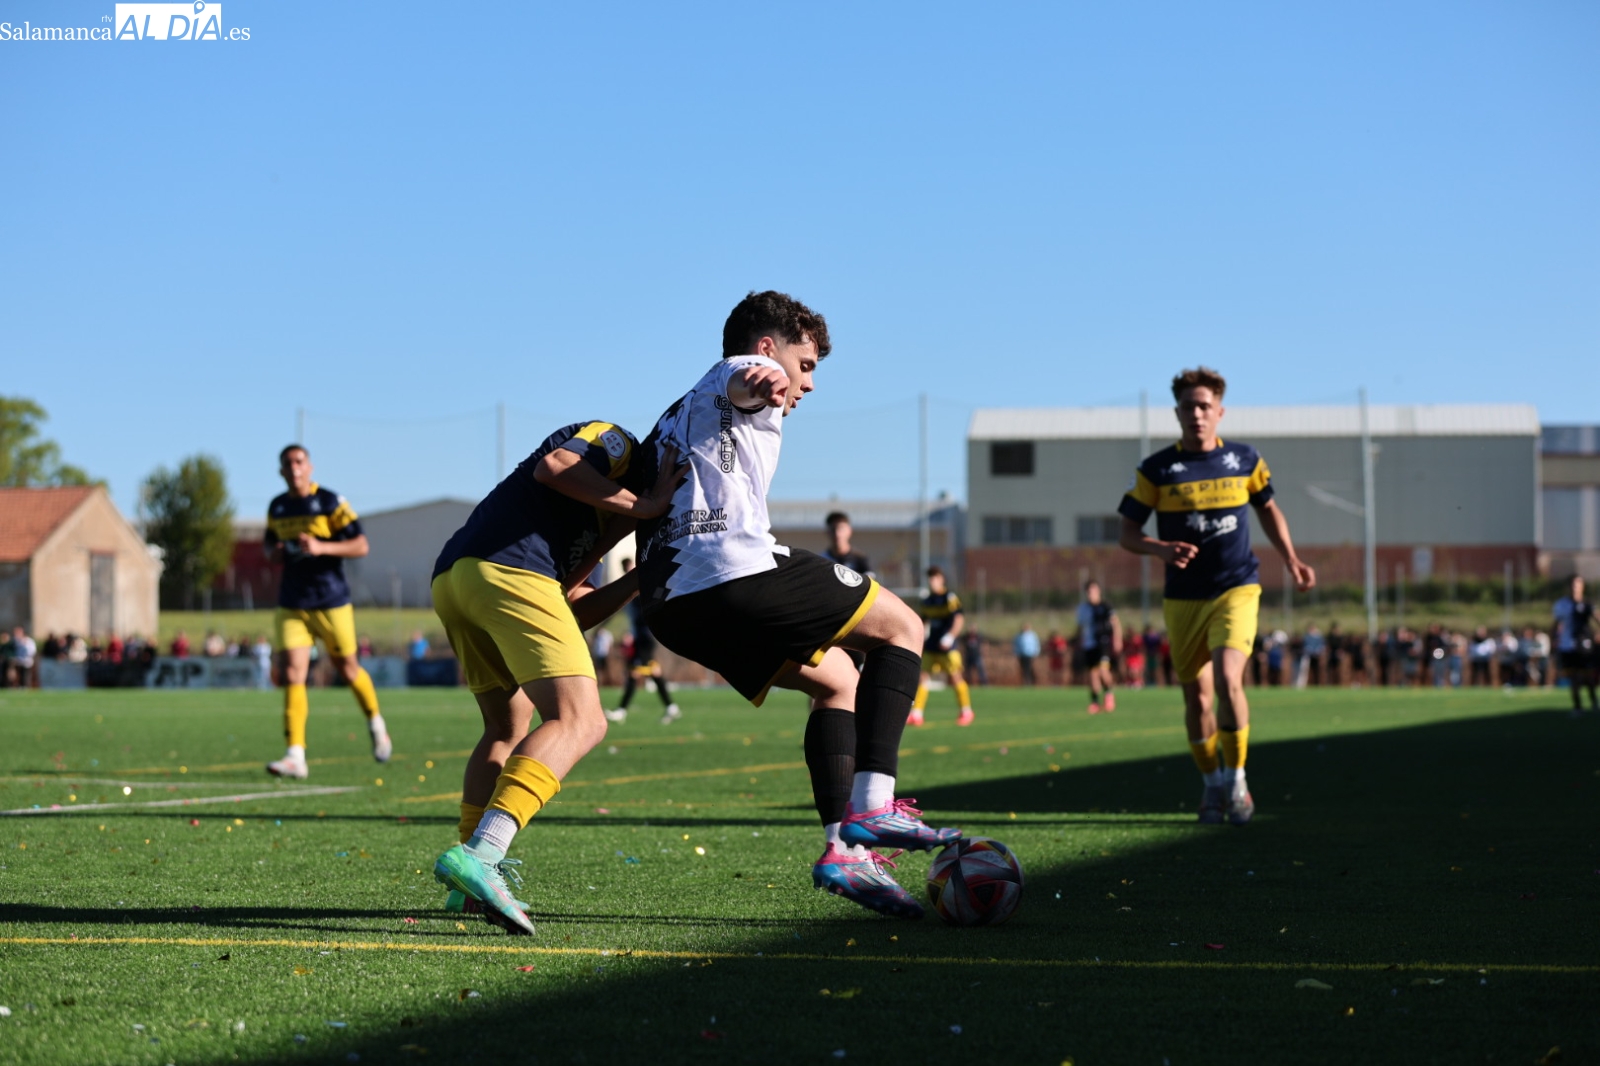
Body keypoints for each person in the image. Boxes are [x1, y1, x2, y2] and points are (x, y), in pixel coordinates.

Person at [634, 290, 959, 920]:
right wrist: (767, 380)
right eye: (805, 365)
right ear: (767, 347)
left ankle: (844, 851)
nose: (807, 384)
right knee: (903, 627)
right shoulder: (743, 374)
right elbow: (748, 379)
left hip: (672, 608)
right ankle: (874, 803)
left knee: (838, 681)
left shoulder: (679, 411)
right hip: (730, 570)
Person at [429, 420, 684, 933]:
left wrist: (639, 578)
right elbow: (556, 465)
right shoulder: (617, 443)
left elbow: (569, 602)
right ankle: (482, 854)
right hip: (510, 571)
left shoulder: (611, 512)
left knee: (505, 728)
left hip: (459, 579)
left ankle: (468, 885)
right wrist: (648, 506)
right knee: (582, 721)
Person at [1118, 366, 1315, 826]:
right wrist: (1159, 548)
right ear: (1177, 413)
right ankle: (1210, 784)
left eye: (1205, 406)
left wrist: (1291, 558)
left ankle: (1237, 779)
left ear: (1220, 412)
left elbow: (1268, 509)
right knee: (1198, 699)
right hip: (1184, 597)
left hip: (1237, 587)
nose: (1197, 414)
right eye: (1188, 406)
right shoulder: (1156, 470)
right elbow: (1127, 533)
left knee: (1229, 679)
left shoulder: (1245, 460)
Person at [262, 445, 390, 780]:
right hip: (292, 603)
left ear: (310, 467)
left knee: (348, 670)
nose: (294, 467)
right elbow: (269, 544)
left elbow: (361, 545)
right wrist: (275, 552)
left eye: (299, 461)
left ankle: (376, 723)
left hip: (331, 601)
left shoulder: (330, 502)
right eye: (287, 463)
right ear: (281, 471)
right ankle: (295, 755)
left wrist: (321, 546)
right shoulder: (277, 507)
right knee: (293, 674)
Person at [604, 558, 682, 724]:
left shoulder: (644, 586)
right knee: (654, 672)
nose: (628, 571)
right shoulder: (631, 589)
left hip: (646, 637)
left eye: (630, 568)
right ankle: (671, 707)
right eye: (626, 569)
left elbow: (649, 608)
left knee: (634, 673)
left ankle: (621, 711)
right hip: (642, 637)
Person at [909, 566, 975, 726]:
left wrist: (950, 636)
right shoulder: (927, 600)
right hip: (931, 645)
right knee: (923, 677)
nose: (932, 581)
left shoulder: (949, 598)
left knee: (955, 677)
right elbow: (923, 622)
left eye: (935, 578)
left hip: (947, 647)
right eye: (930, 578)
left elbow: (958, 619)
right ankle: (917, 714)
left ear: (941, 579)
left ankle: (966, 711)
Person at [1072, 580, 1121, 714]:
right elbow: (1080, 627)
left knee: (1103, 671)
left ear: (1098, 591)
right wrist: (1076, 640)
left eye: (1093, 591)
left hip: (1103, 643)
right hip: (1089, 645)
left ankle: (1109, 695)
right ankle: (1094, 702)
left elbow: (1115, 623)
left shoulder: (1105, 607)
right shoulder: (1083, 608)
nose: (1091, 594)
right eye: (1089, 592)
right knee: (1093, 674)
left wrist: (1117, 640)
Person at [1554, 575, 1597, 716]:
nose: (1575, 588)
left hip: (1584, 643)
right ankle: (1578, 706)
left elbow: (1597, 618)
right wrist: (1554, 639)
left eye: (1578, 584)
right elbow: (1557, 624)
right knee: (1573, 677)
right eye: (1573, 584)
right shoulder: (1561, 604)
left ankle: (1594, 702)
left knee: (1587, 676)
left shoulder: (1587, 604)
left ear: (1582, 586)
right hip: (1567, 645)